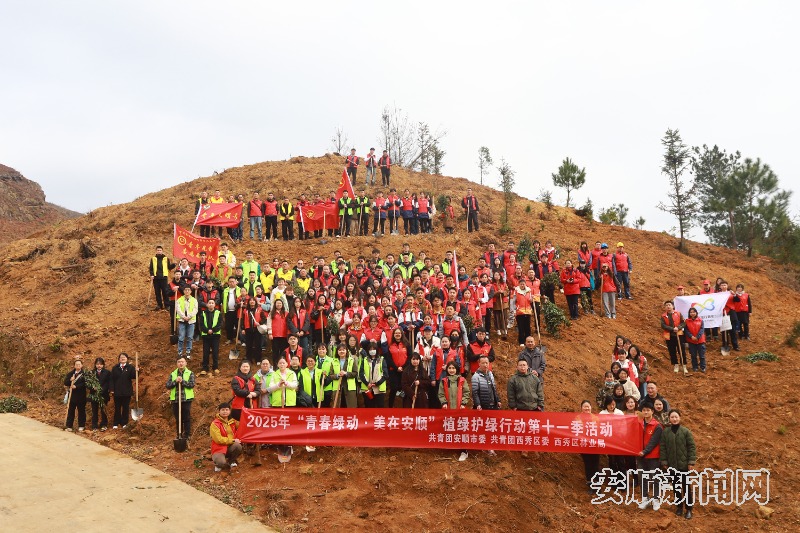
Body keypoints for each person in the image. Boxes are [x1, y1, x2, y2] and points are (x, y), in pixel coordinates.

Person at [660, 409, 697, 519]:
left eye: (676, 417)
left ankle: (689, 509)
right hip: (672, 465)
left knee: (686, 487)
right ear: (669, 419)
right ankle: (679, 507)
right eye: (672, 417)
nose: (674, 419)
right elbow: (663, 447)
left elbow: (691, 447)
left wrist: (691, 462)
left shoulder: (686, 432)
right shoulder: (666, 432)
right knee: (676, 487)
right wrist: (664, 461)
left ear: (680, 418)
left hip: (684, 465)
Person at [438, 361, 471, 461]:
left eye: (453, 368)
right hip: (448, 409)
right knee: (449, 428)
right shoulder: (444, 381)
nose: (451, 370)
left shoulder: (462, 380)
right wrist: (443, 402)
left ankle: (464, 451)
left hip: (460, 409)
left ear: (456, 369)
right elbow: (441, 394)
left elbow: (466, 392)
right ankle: (450, 447)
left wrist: (463, 403)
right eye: (449, 368)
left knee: (461, 429)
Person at [637, 404, 664, 511]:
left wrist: (645, 451)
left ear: (652, 411)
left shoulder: (657, 426)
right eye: (644, 410)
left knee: (655, 478)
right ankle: (645, 499)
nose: (646, 412)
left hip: (653, 457)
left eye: (648, 410)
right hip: (640, 457)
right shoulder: (639, 424)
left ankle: (656, 499)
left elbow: (653, 442)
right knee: (642, 478)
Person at [166, 356, 195, 441]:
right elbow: (168, 385)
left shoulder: (190, 373)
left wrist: (182, 381)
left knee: (186, 417)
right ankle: (179, 435)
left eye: (182, 362)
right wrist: (175, 381)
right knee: (178, 418)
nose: (181, 363)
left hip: (186, 399)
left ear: (186, 363)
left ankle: (187, 435)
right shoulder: (173, 374)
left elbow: (192, 384)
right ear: (177, 364)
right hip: (175, 399)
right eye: (179, 362)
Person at [210, 403, 243, 472]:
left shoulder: (233, 421)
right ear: (219, 411)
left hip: (230, 447)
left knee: (238, 446)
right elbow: (218, 440)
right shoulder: (215, 424)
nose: (225, 412)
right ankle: (218, 464)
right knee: (221, 463)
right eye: (223, 410)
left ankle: (231, 461)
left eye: (227, 410)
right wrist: (233, 440)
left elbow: (242, 427)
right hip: (218, 449)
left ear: (230, 411)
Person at [578, 400, 600, 494]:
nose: (587, 408)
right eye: (585, 406)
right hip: (584, 445)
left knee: (595, 465)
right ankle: (590, 485)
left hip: (595, 445)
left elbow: (600, 431)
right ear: (581, 408)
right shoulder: (577, 418)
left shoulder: (596, 418)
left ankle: (597, 485)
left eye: (588, 406)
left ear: (591, 407)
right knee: (588, 465)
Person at [110, 353, 137, 429]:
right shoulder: (115, 368)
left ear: (127, 359)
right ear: (119, 359)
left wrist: (137, 371)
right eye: (121, 357)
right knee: (117, 408)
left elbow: (134, 376)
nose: (122, 358)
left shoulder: (130, 367)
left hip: (126, 392)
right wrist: (112, 389)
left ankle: (124, 423)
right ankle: (116, 423)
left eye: (124, 357)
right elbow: (111, 379)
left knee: (125, 408)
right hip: (117, 392)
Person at [359, 339, 388, 407]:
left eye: (374, 349)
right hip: (367, 387)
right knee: (369, 406)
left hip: (379, 388)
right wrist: (367, 383)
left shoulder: (381, 359)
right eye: (370, 349)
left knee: (380, 407)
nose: (372, 351)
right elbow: (361, 373)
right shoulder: (365, 360)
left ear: (377, 350)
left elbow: (385, 374)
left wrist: (377, 383)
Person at [660, 300, 687, 374]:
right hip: (669, 336)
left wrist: (678, 328)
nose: (668, 306)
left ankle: (684, 365)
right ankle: (675, 364)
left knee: (681, 350)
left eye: (669, 305)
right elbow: (663, 325)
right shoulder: (663, 316)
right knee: (672, 351)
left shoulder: (678, 313)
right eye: (666, 305)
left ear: (673, 306)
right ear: (665, 307)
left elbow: (683, 323)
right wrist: (672, 329)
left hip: (679, 334)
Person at [198, 298, 221, 376]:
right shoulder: (203, 313)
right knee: (206, 352)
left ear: (215, 304)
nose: (211, 304)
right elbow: (201, 324)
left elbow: (220, 324)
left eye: (212, 303)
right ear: (207, 304)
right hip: (206, 335)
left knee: (215, 352)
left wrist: (213, 330)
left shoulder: (218, 313)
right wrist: (207, 330)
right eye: (209, 303)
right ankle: (205, 368)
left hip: (215, 335)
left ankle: (215, 367)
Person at [149, 245, 175, 311]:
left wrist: (173, 265)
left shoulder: (166, 259)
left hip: (164, 277)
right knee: (157, 292)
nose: (159, 251)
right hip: (156, 278)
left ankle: (167, 305)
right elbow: (151, 268)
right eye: (158, 250)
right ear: (156, 251)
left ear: (162, 251)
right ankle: (159, 305)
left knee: (165, 292)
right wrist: (151, 275)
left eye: (160, 250)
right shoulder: (153, 259)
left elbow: (169, 267)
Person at [88, 357, 111, 431]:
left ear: (103, 365)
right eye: (97, 364)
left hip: (103, 395)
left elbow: (108, 383)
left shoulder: (107, 372)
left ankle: (104, 424)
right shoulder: (91, 373)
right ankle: (94, 425)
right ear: (95, 365)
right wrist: (92, 387)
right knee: (94, 411)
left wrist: (101, 389)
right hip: (94, 394)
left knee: (103, 410)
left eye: (101, 364)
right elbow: (88, 383)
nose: (99, 366)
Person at [63, 359, 86, 431]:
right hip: (72, 396)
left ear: (82, 365)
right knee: (71, 411)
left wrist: (76, 386)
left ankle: (81, 425)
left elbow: (85, 383)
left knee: (81, 411)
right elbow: (65, 382)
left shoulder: (84, 374)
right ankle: (69, 426)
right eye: (76, 364)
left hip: (81, 395)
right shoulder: (71, 373)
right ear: (74, 365)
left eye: (79, 364)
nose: (78, 365)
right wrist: (70, 380)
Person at [175, 285, 198, 358]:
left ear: (191, 291)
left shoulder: (194, 300)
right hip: (182, 321)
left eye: (188, 290)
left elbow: (195, 310)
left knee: (190, 337)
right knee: (181, 337)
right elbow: (178, 309)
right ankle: (180, 352)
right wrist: (183, 317)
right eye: (185, 290)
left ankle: (188, 351)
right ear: (183, 291)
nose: (187, 291)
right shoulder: (179, 300)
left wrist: (189, 317)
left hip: (191, 321)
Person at [684, 307, 707, 373]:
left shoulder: (700, 320)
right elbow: (686, 330)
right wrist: (691, 336)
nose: (692, 313)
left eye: (694, 312)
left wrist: (697, 337)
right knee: (693, 355)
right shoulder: (687, 321)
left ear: (696, 313)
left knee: (701, 355)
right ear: (689, 313)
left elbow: (702, 329)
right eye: (691, 312)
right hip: (691, 341)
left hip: (700, 341)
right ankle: (695, 367)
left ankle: (703, 367)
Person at [513, 278, 534, 345]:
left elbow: (530, 300)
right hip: (519, 312)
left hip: (527, 312)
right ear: (519, 285)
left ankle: (528, 341)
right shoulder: (516, 291)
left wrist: (531, 300)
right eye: (521, 284)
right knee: (521, 327)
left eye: (523, 284)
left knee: (527, 327)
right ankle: (521, 341)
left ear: (525, 284)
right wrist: (514, 310)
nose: (522, 285)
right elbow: (513, 302)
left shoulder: (529, 291)